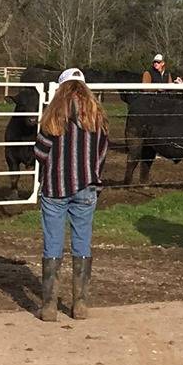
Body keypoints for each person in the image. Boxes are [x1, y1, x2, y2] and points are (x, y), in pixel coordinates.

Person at [32, 69, 110, 320]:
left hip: (56, 187)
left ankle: (49, 306)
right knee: (82, 241)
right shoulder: (97, 116)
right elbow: (102, 151)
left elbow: (40, 152)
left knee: (52, 243)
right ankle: (80, 303)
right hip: (86, 185)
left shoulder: (54, 115)